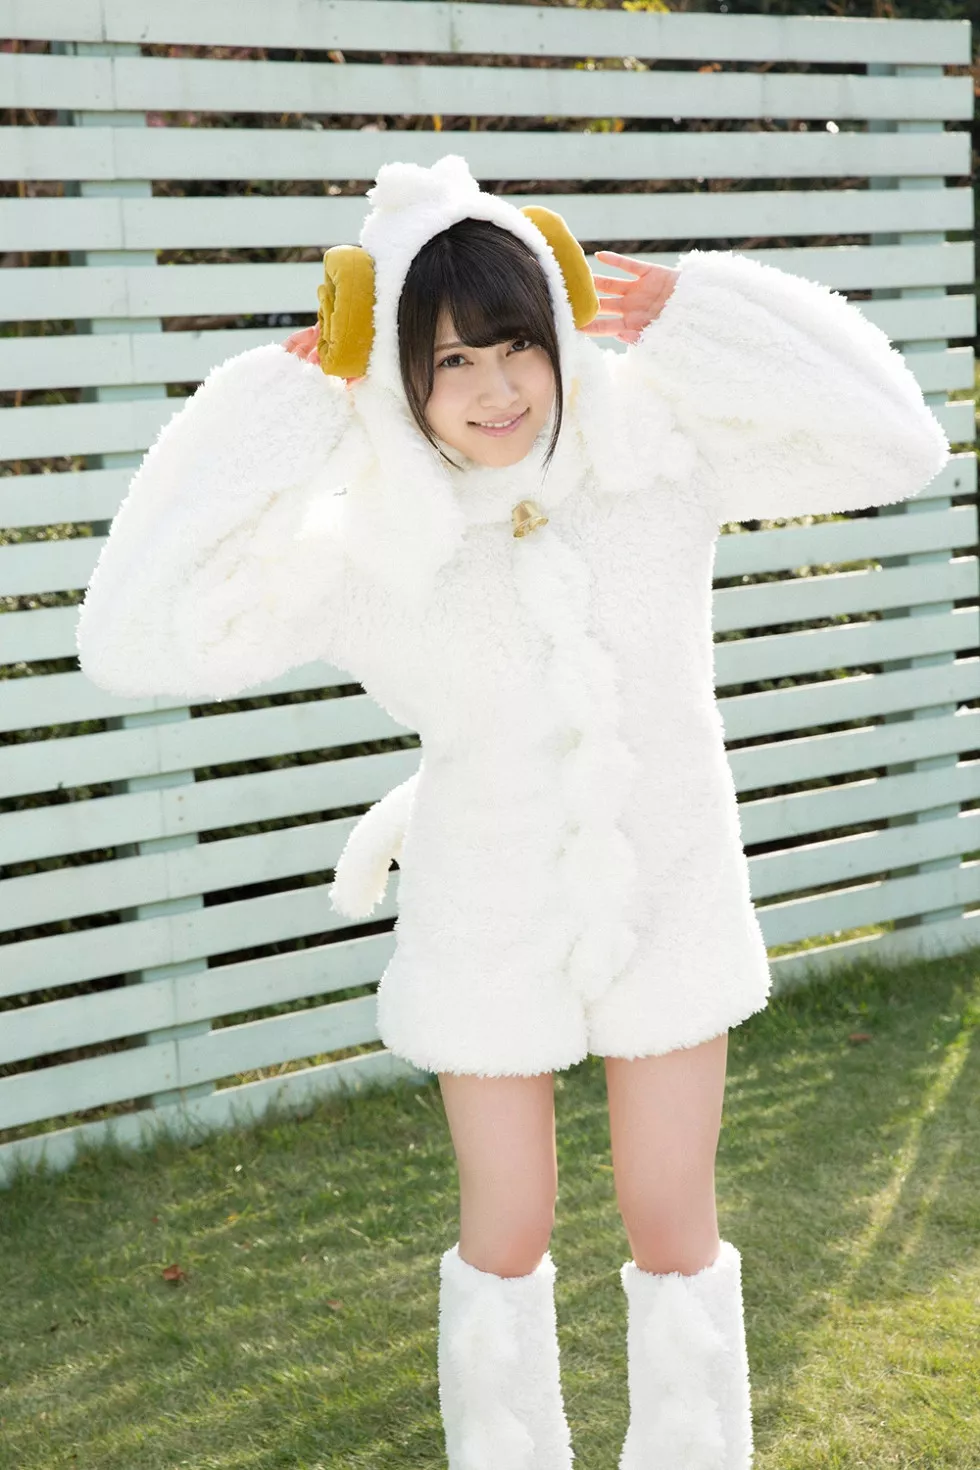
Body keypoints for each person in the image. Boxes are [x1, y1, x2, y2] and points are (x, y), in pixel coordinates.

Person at [76, 153, 949, 1468]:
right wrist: (276, 409)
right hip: (482, 909)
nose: (495, 389)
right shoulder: (374, 546)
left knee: (673, 1219)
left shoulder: (654, 460)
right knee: (508, 1228)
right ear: (395, 375)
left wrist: (703, 316)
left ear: (561, 326)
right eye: (450, 362)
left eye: (516, 344)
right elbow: (133, 635)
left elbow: (897, 442)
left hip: (670, 888)